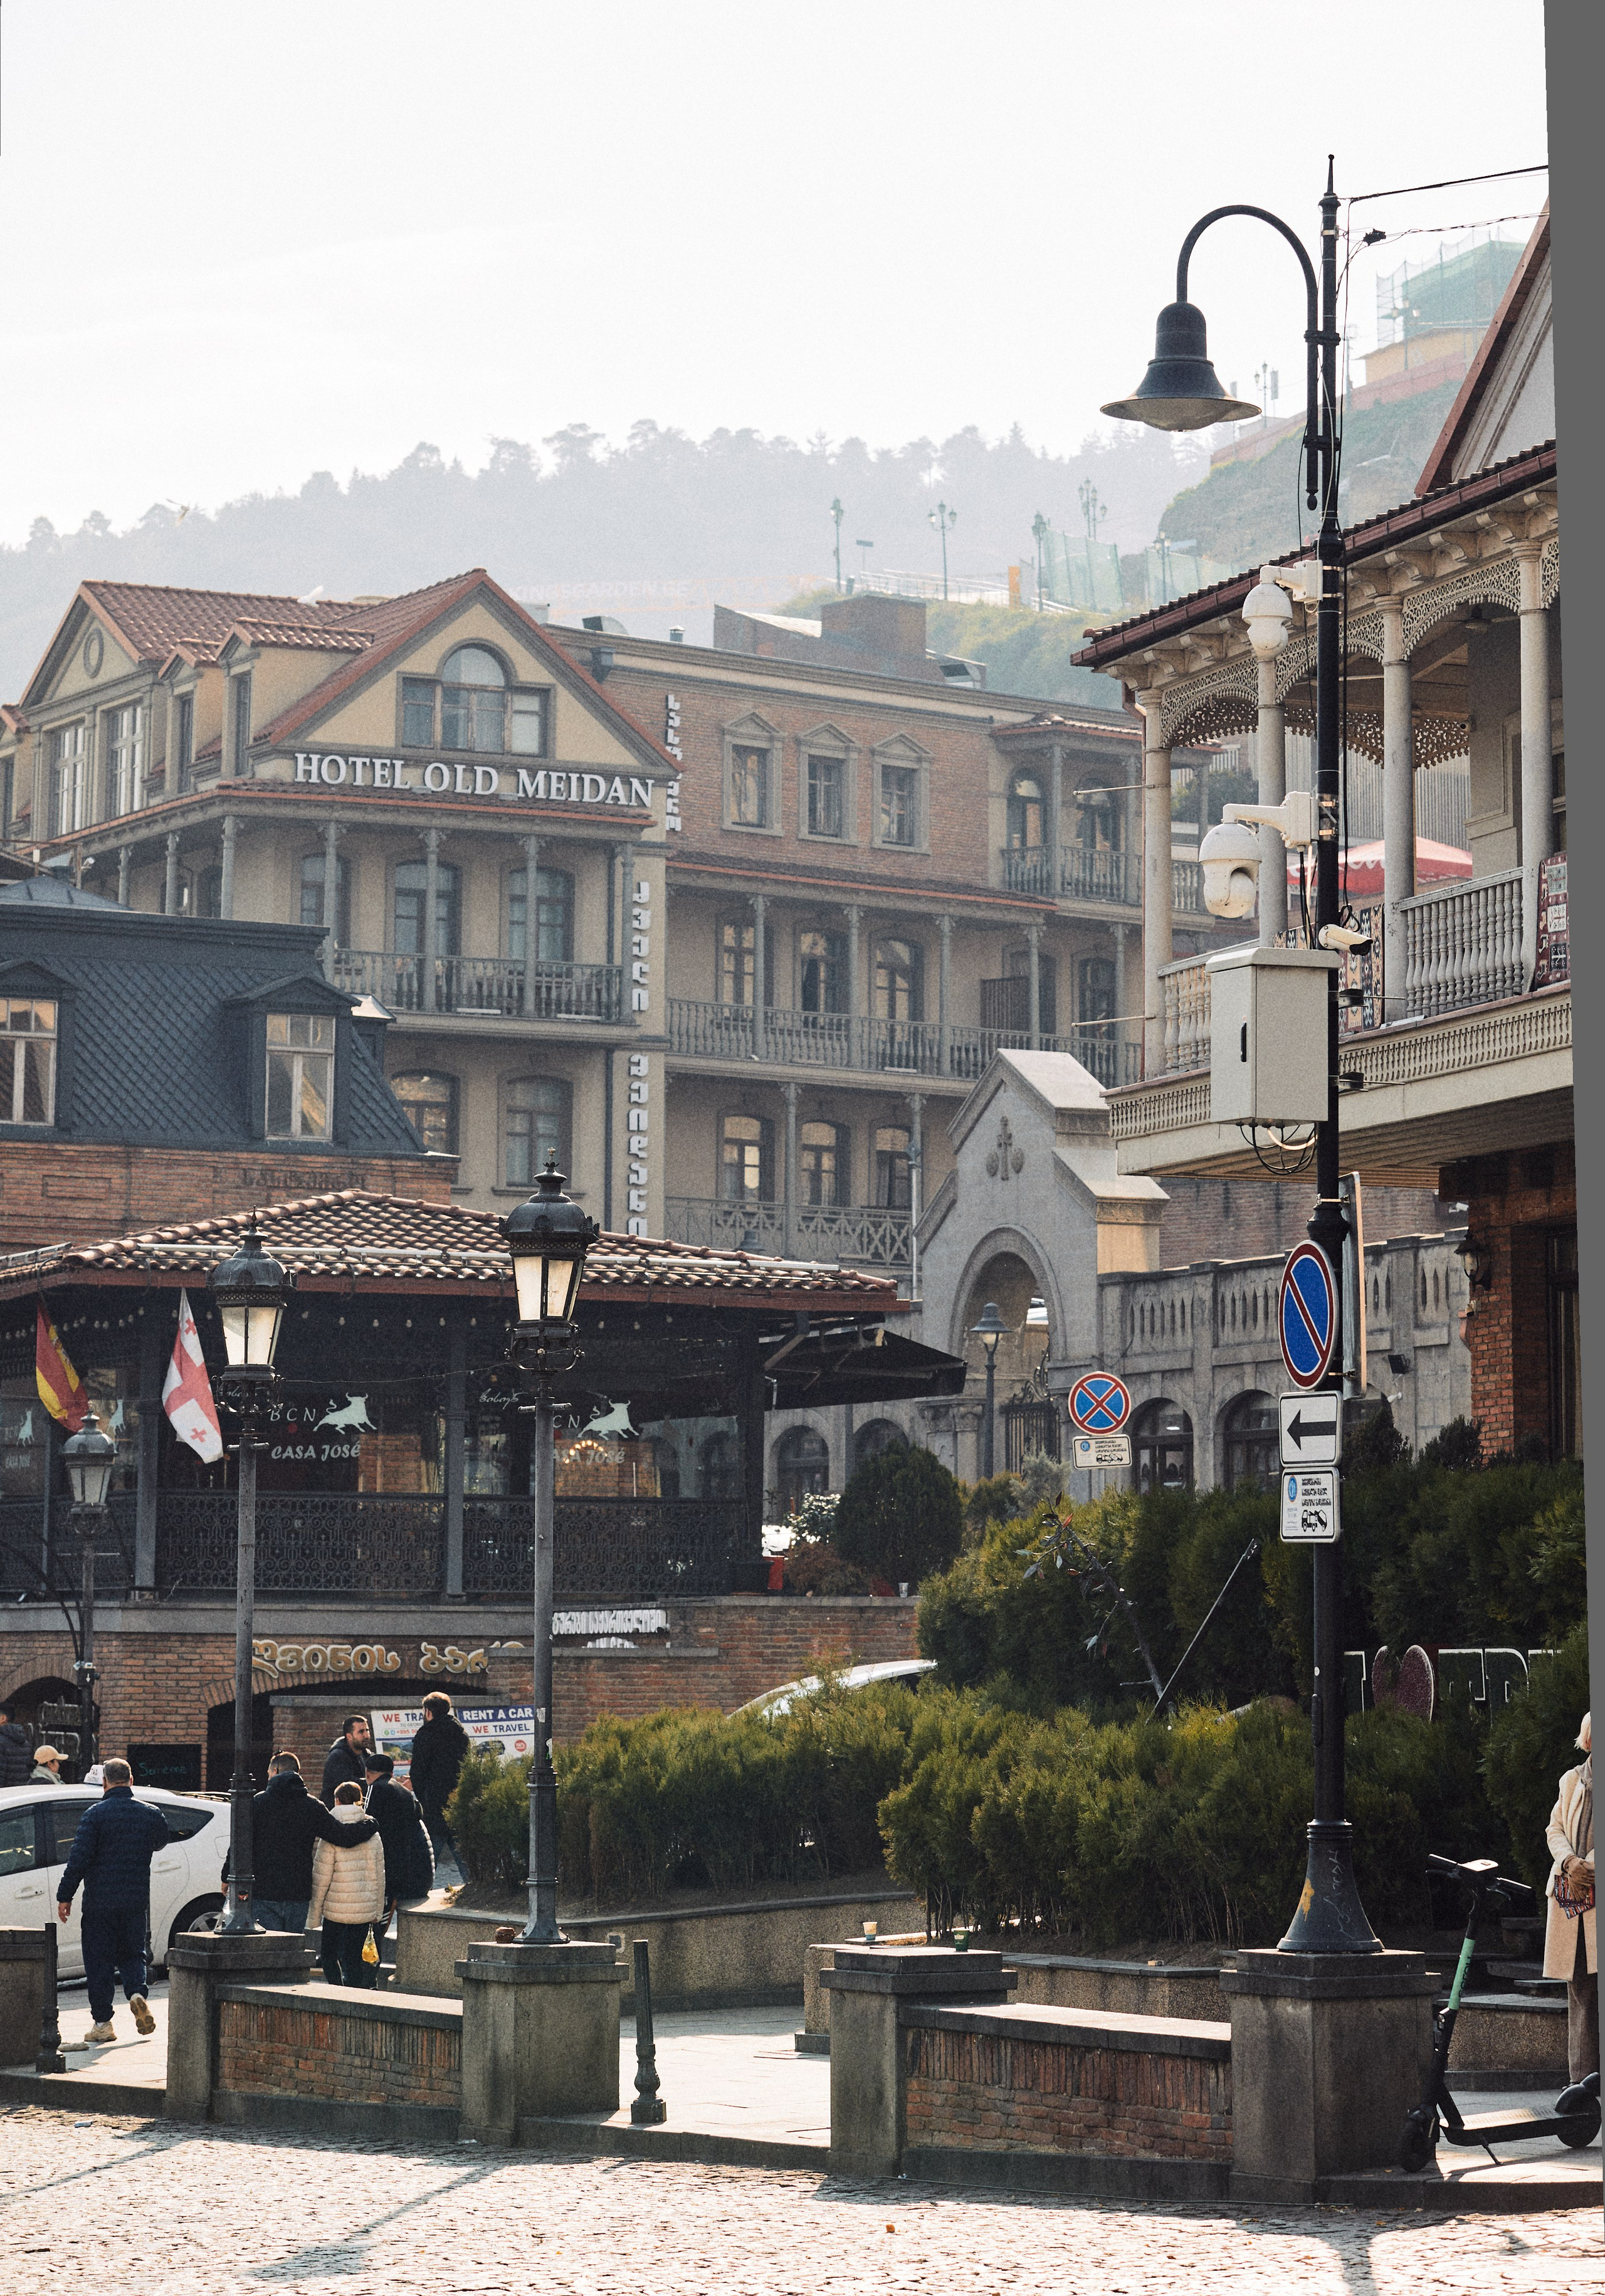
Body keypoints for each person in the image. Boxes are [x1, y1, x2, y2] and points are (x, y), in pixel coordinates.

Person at [56, 1756, 169, 2046]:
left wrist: (64, 1895)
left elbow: (78, 1859)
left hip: (99, 1903)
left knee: (99, 1962)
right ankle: (136, 1994)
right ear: (131, 1781)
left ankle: (103, 2024)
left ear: (104, 1783)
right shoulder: (151, 1813)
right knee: (133, 1953)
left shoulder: (94, 1815)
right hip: (134, 1901)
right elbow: (160, 1841)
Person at [231, 1750, 378, 1934]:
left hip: (264, 1891)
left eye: (269, 1773)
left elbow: (240, 1843)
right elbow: (343, 1837)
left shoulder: (258, 1803)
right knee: (293, 1950)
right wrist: (370, 1823)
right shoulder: (312, 1806)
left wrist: (225, 1876)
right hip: (298, 1892)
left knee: (269, 1950)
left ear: (275, 1771)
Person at [1545, 1709, 1596, 2081]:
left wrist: (1589, 1868)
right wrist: (1569, 1862)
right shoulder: (1571, 1779)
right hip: (1571, 1898)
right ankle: (1579, 2088)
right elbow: (1555, 1828)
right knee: (1579, 1992)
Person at [307, 1778, 386, 1987]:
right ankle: (357, 1992)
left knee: (329, 1956)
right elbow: (380, 1876)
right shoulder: (373, 1834)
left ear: (337, 1801)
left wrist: (314, 1916)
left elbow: (321, 1877)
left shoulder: (331, 1833)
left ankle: (338, 1991)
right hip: (363, 1911)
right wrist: (377, 1912)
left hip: (336, 1911)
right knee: (355, 1958)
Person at [362, 1751, 434, 1917]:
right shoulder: (405, 1793)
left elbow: (365, 1827)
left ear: (367, 1773)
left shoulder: (375, 1789)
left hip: (394, 1878)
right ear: (392, 1773)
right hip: (417, 1875)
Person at [409, 1692, 470, 1872]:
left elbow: (418, 1773)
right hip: (457, 1802)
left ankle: (421, 1888)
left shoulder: (426, 1735)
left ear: (428, 1712)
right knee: (462, 1854)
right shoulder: (461, 1734)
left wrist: (424, 1797)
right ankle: (473, 1885)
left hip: (434, 1802)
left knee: (428, 1856)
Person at [321, 1713, 374, 1805]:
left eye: (367, 1730)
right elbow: (348, 1784)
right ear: (349, 1736)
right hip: (338, 1811)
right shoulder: (338, 1756)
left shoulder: (367, 1755)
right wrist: (374, 1781)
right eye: (361, 1732)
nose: (366, 1735)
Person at [0, 1700, 31, 1787]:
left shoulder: (1, 1742)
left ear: (3, 1718)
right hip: (19, 1795)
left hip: (4, 1797)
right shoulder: (25, 1742)